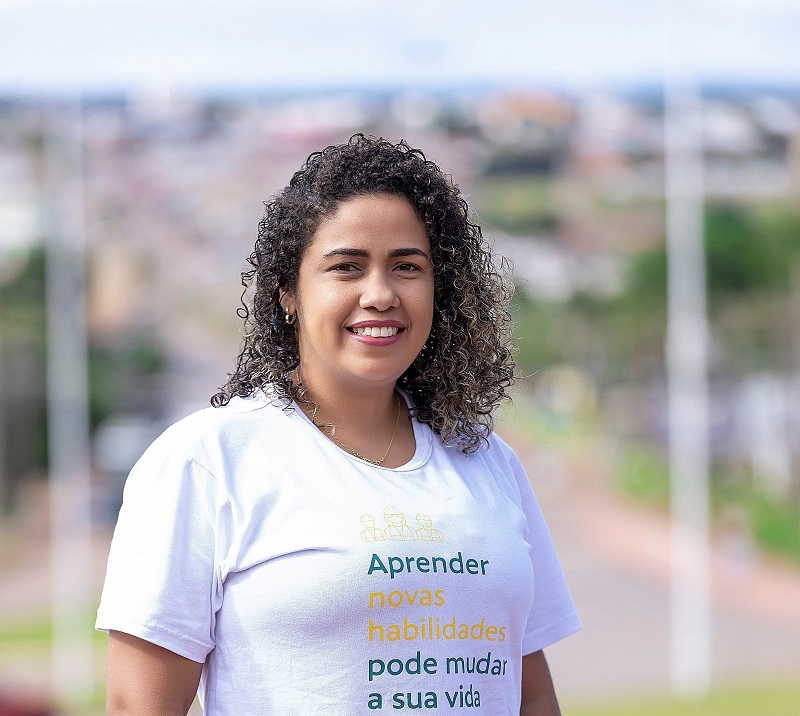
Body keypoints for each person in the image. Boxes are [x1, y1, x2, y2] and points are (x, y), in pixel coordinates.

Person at [96, 135, 580, 715]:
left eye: (407, 267)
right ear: (288, 295)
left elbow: (532, 695)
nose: (379, 294)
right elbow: (137, 706)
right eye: (346, 268)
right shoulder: (207, 460)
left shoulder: (487, 460)